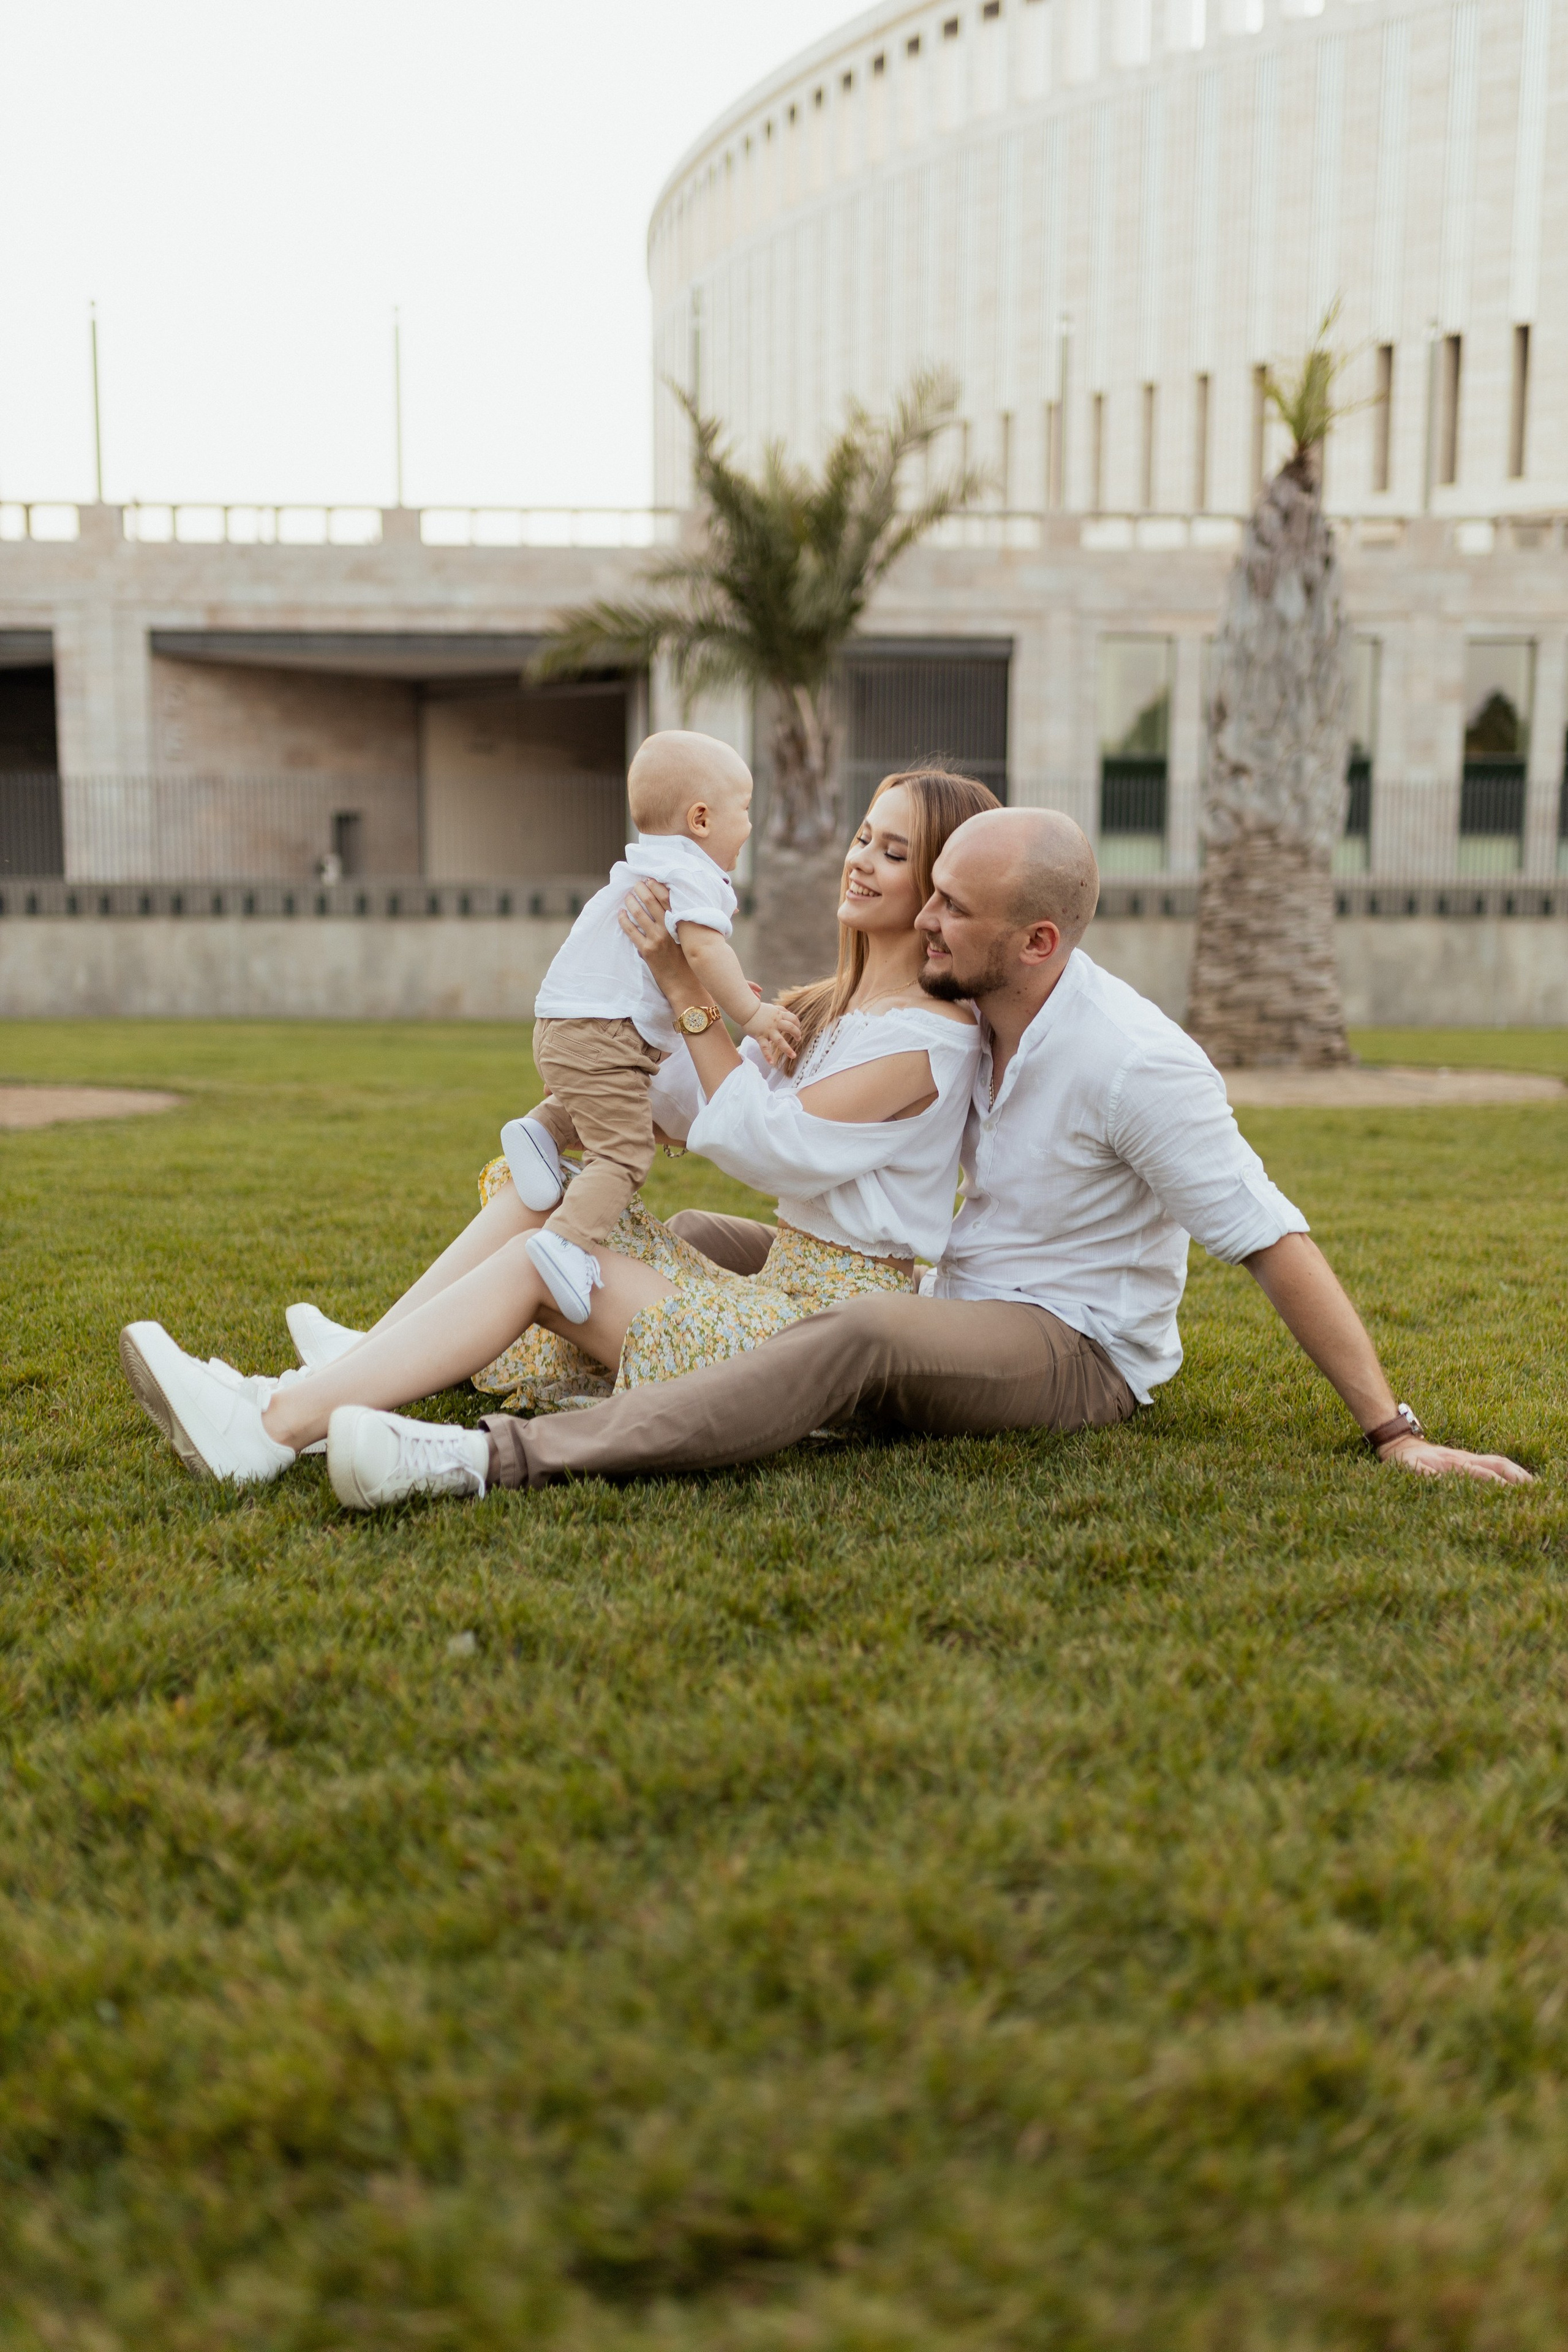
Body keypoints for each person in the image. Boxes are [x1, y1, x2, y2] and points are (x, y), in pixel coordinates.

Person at [328, 804, 1532, 1501]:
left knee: (852, 1333)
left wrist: (1394, 1433)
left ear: (1038, 938)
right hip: (949, 1283)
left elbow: (1271, 1242)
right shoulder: (970, 1019)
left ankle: (490, 1456)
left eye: (952, 907)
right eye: (930, 890)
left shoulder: (1132, 1061)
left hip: (1069, 1347)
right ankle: (397, 1363)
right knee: (698, 1237)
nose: (925, 919)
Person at [117, 770, 999, 1492]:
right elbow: (702, 1109)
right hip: (777, 1302)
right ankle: (347, 1369)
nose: (863, 861)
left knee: (544, 1266)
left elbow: (767, 1141)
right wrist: (608, 1064)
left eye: (895, 852)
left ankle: (270, 1428)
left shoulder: (929, 1042)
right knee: (544, 1194)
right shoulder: (830, 1009)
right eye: (863, 838)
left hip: (809, 1347)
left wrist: (686, 987)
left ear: (937, 891)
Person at [494, 727, 799, 1326]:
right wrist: (752, 1012)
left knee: (615, 1101)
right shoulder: (695, 875)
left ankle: (542, 1130)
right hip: (607, 1035)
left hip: (563, 1026)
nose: (750, 827)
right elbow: (706, 952)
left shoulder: (646, 864)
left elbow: (672, 964)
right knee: (626, 1151)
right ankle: (567, 1245)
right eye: (745, 812)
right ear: (703, 819)